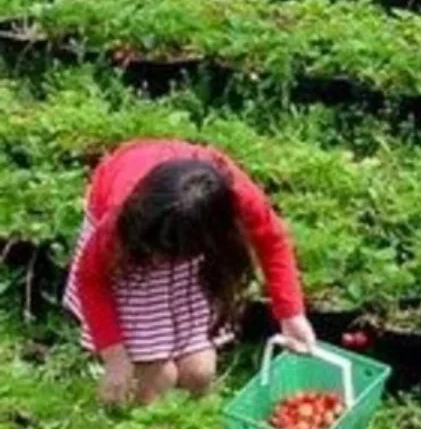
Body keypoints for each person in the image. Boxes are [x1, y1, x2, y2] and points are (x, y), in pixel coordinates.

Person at [63, 139, 316, 405]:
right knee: (158, 377)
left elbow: (272, 239)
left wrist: (291, 315)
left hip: (183, 233)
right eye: (165, 254)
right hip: (132, 252)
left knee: (199, 372)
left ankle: (189, 423)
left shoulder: (232, 195)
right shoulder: (125, 213)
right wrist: (115, 358)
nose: (166, 263)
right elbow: (91, 278)